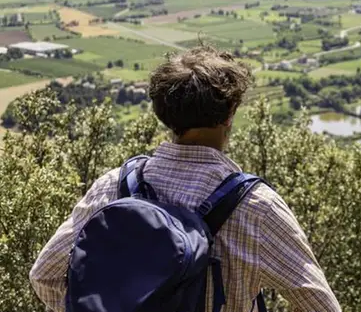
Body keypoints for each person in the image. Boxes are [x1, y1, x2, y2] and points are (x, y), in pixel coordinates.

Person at [29, 45, 341, 312]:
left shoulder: (113, 186)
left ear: (163, 112)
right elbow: (320, 306)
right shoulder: (257, 208)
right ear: (230, 114)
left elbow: (45, 276)